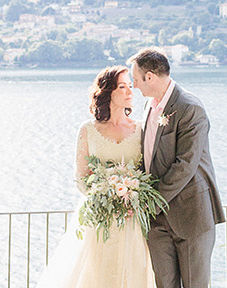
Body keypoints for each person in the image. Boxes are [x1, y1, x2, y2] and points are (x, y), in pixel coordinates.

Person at [38, 65, 158, 288]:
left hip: (133, 220)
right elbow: (81, 178)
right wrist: (106, 196)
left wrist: (129, 197)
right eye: (123, 87)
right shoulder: (88, 130)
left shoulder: (142, 129)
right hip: (99, 219)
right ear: (108, 91)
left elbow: (149, 173)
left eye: (131, 86)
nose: (130, 92)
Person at [130, 48, 224, 288]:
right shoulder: (149, 106)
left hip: (191, 215)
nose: (134, 86)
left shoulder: (190, 108)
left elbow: (185, 165)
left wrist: (151, 202)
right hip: (156, 221)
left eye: (136, 79)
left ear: (149, 77)